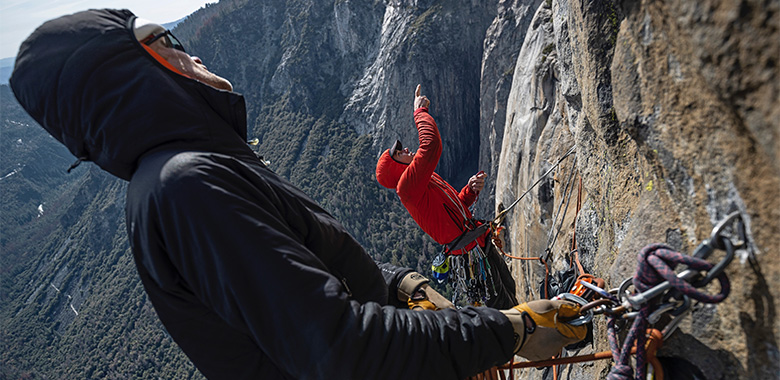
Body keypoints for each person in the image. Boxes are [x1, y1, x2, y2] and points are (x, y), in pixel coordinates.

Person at [10, 9, 585, 380]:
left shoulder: (201, 172)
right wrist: (508, 331)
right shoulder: (187, 187)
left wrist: (397, 283)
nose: (195, 52)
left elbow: (319, 268)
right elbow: (338, 348)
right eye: (167, 41)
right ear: (129, 78)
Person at [375, 85, 518, 309]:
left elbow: (454, 208)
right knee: (502, 307)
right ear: (395, 169)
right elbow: (431, 145)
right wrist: (419, 112)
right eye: (399, 153)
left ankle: (524, 327)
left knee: (508, 290)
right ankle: (520, 331)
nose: (406, 150)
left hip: (478, 245)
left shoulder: (423, 181)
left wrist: (470, 190)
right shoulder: (407, 187)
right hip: (471, 255)